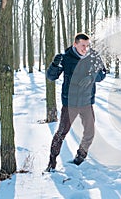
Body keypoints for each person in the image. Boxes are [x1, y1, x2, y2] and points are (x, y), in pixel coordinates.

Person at [45, 32, 106, 172]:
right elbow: (51, 77)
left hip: (86, 102)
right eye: (83, 45)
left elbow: (102, 73)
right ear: (75, 44)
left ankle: (81, 156)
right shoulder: (65, 58)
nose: (86, 48)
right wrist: (54, 64)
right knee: (61, 132)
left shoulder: (93, 57)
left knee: (90, 131)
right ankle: (52, 162)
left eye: (87, 45)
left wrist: (91, 78)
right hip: (70, 103)